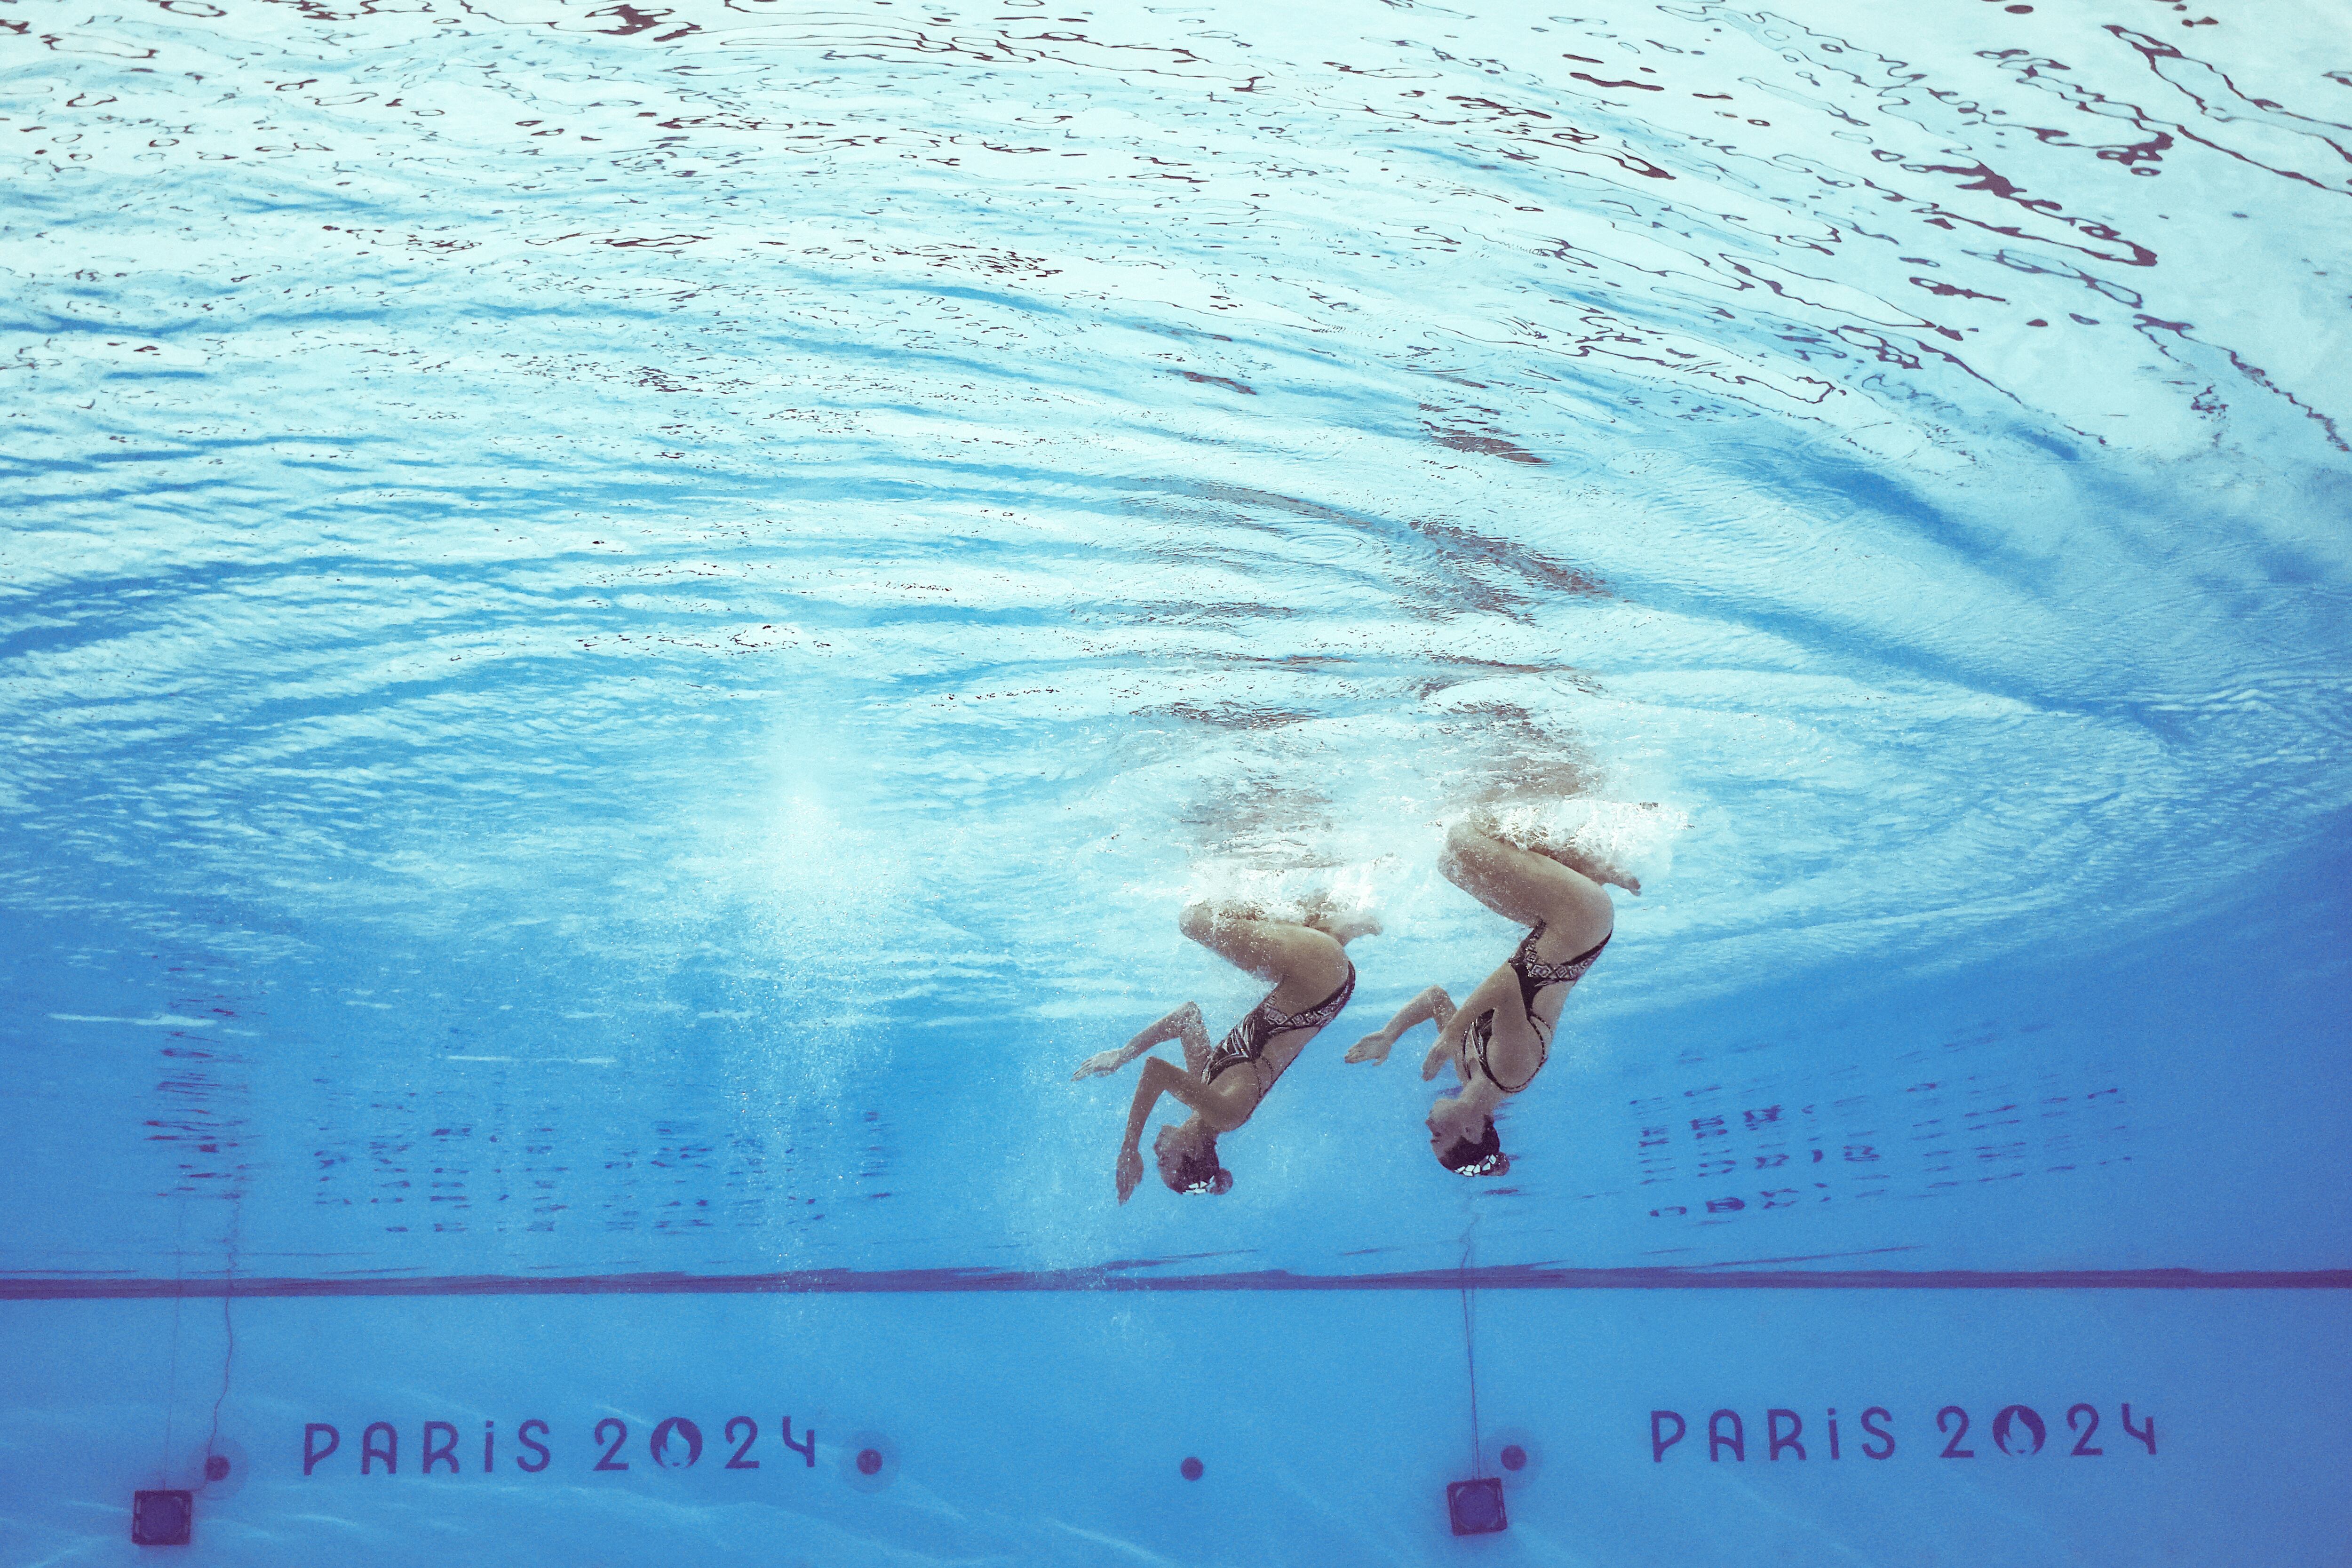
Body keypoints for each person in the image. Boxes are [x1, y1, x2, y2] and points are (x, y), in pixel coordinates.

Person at [1346, 813, 1637, 1176]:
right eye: (1437, 1136)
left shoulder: (1469, 1074)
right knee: (1463, 839)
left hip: (1548, 928)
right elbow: (1507, 985)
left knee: (1450, 865)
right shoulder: (1511, 1071)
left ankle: (1582, 871)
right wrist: (1451, 1033)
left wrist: (1391, 1034)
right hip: (1581, 920)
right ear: (1470, 1130)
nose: (1427, 1127)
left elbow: (1436, 998)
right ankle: (1590, 867)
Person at [1074, 897, 1377, 1202]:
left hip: (1323, 984)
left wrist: (1123, 1052)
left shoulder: (1209, 1097)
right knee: (1194, 920)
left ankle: (1330, 925)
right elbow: (1156, 1070)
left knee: (1306, 922)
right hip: (1316, 973)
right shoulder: (1225, 1114)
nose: (1156, 1153)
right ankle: (1299, 912)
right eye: (1165, 1161)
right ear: (1192, 1150)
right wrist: (1129, 1146)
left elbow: (1188, 1017)